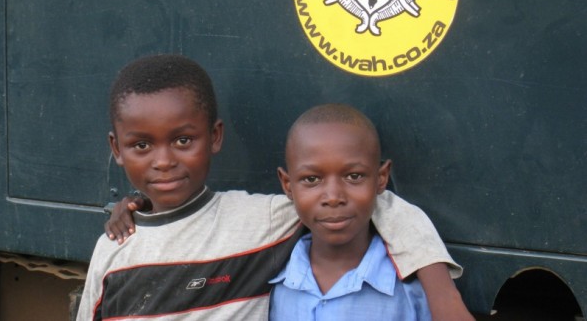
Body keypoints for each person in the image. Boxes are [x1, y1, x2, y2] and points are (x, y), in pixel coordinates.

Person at [78, 54, 472, 320]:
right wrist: (136, 202)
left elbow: (380, 203)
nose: (163, 161)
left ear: (215, 137)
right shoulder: (114, 249)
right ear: (117, 149)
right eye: (141, 146)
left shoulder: (260, 221)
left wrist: (443, 295)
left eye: (183, 140)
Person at [270, 103, 431, 320]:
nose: (333, 197)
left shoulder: (415, 292)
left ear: (381, 178)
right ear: (288, 185)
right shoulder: (270, 284)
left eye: (354, 176)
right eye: (312, 179)